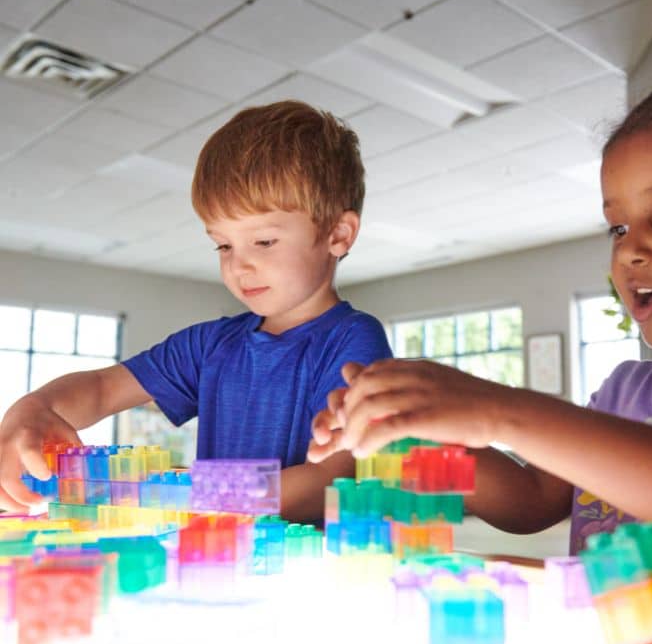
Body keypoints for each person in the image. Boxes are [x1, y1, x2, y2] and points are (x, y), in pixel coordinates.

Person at [309, 38, 652, 589]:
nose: (630, 249)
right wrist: (409, 434)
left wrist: (498, 409)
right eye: (618, 226)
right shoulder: (626, 390)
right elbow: (531, 501)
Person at [0, 100, 392, 521]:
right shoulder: (210, 346)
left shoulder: (354, 340)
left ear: (338, 234)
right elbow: (100, 389)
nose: (239, 264)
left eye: (263, 242)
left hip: (315, 569)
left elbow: (336, 481)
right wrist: (34, 407)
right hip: (216, 561)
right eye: (223, 244)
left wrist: (188, 492)